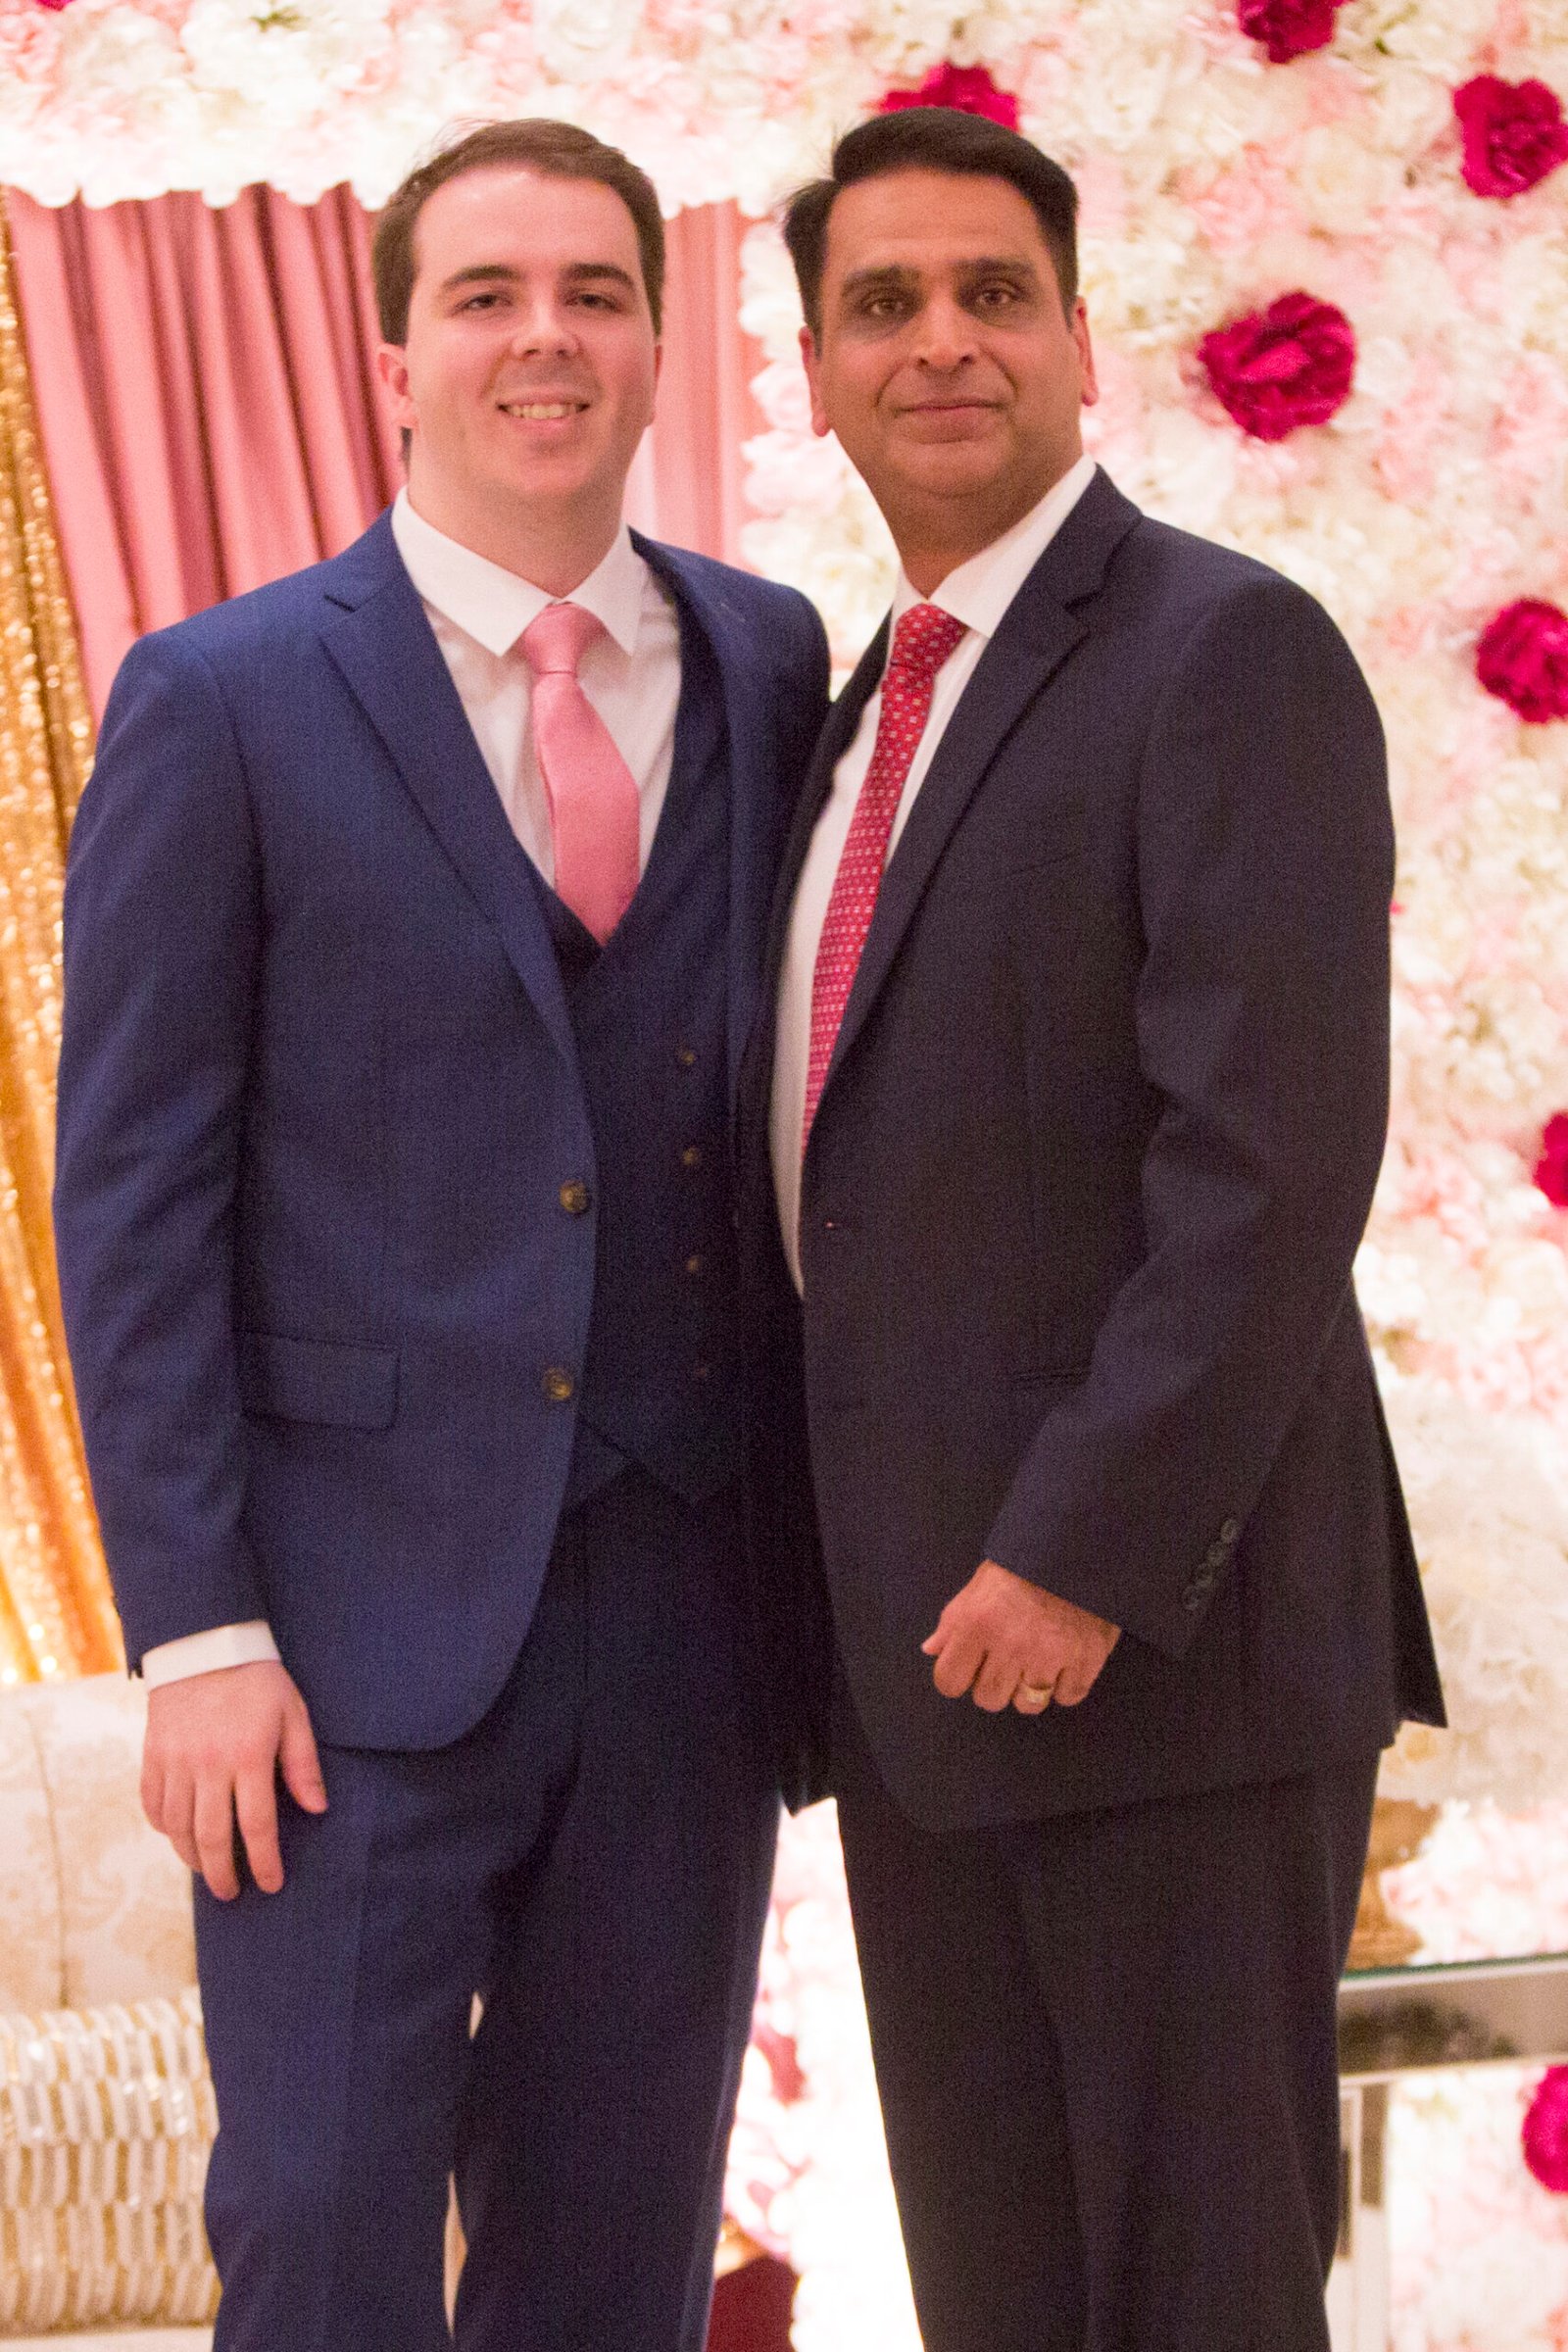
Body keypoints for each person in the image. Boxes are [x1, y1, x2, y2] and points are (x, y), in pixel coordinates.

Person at [54, 117, 828, 2352]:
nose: (542, 337)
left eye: (594, 291)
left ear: (658, 343)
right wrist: (195, 1634)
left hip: (688, 1628)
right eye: (486, 295)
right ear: (394, 357)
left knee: (614, 2267)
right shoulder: (221, 696)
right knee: (319, 2251)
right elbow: (135, 1194)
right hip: (331, 1659)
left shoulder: (773, 659)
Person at [741, 105, 1446, 2352]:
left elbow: (1268, 1161)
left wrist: (1078, 1555)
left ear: (1075, 338)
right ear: (814, 372)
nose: (939, 340)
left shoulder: (1220, 651)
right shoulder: (853, 719)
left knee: (1194, 2306)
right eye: (881, 303)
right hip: (917, 1680)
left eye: (990, 293)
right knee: (1002, 2311)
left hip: (1153, 1663)